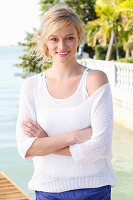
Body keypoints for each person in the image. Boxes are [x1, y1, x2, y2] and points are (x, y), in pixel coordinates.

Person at [16, 5, 116, 200]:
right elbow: (26, 148)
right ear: (45, 41)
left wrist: (47, 142)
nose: (62, 47)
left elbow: (100, 147)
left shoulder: (95, 80)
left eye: (69, 38)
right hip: (48, 191)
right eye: (54, 39)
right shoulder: (32, 86)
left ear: (79, 39)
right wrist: (75, 136)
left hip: (94, 190)